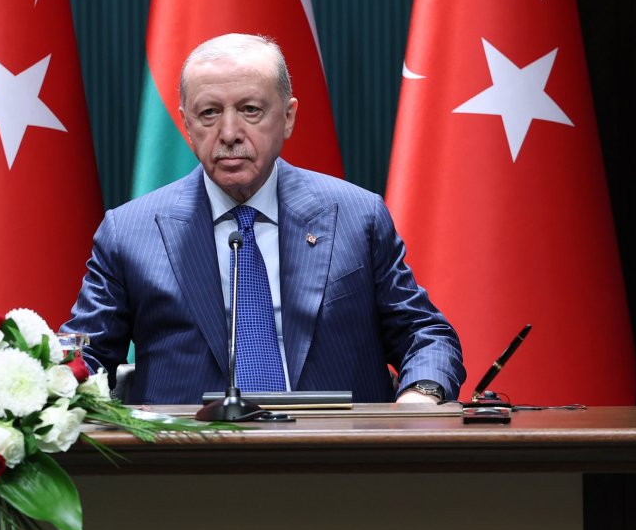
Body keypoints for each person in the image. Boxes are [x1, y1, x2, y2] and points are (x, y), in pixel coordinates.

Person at [62, 33, 463, 405]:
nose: (230, 132)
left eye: (250, 110)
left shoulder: (356, 216)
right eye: (209, 113)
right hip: (187, 467)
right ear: (186, 125)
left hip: (337, 463)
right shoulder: (130, 232)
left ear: (287, 117)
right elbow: (85, 357)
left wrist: (420, 396)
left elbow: (426, 336)